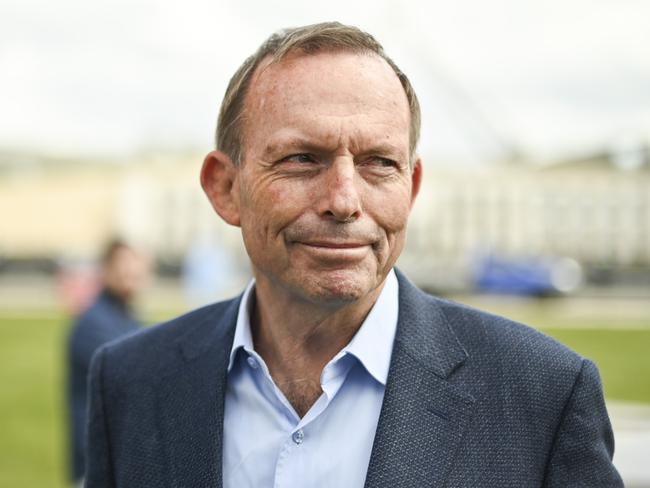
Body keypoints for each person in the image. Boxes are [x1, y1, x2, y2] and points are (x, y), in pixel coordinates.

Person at [85, 22, 623, 487]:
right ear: (225, 188)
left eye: (378, 163)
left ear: (411, 190)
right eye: (302, 159)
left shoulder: (544, 395)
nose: (344, 200)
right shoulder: (132, 381)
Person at [66, 239, 147, 484]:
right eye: (123, 267)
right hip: (97, 465)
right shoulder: (94, 324)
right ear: (106, 270)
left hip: (118, 458)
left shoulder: (127, 316)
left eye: (135, 268)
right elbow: (139, 374)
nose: (130, 274)